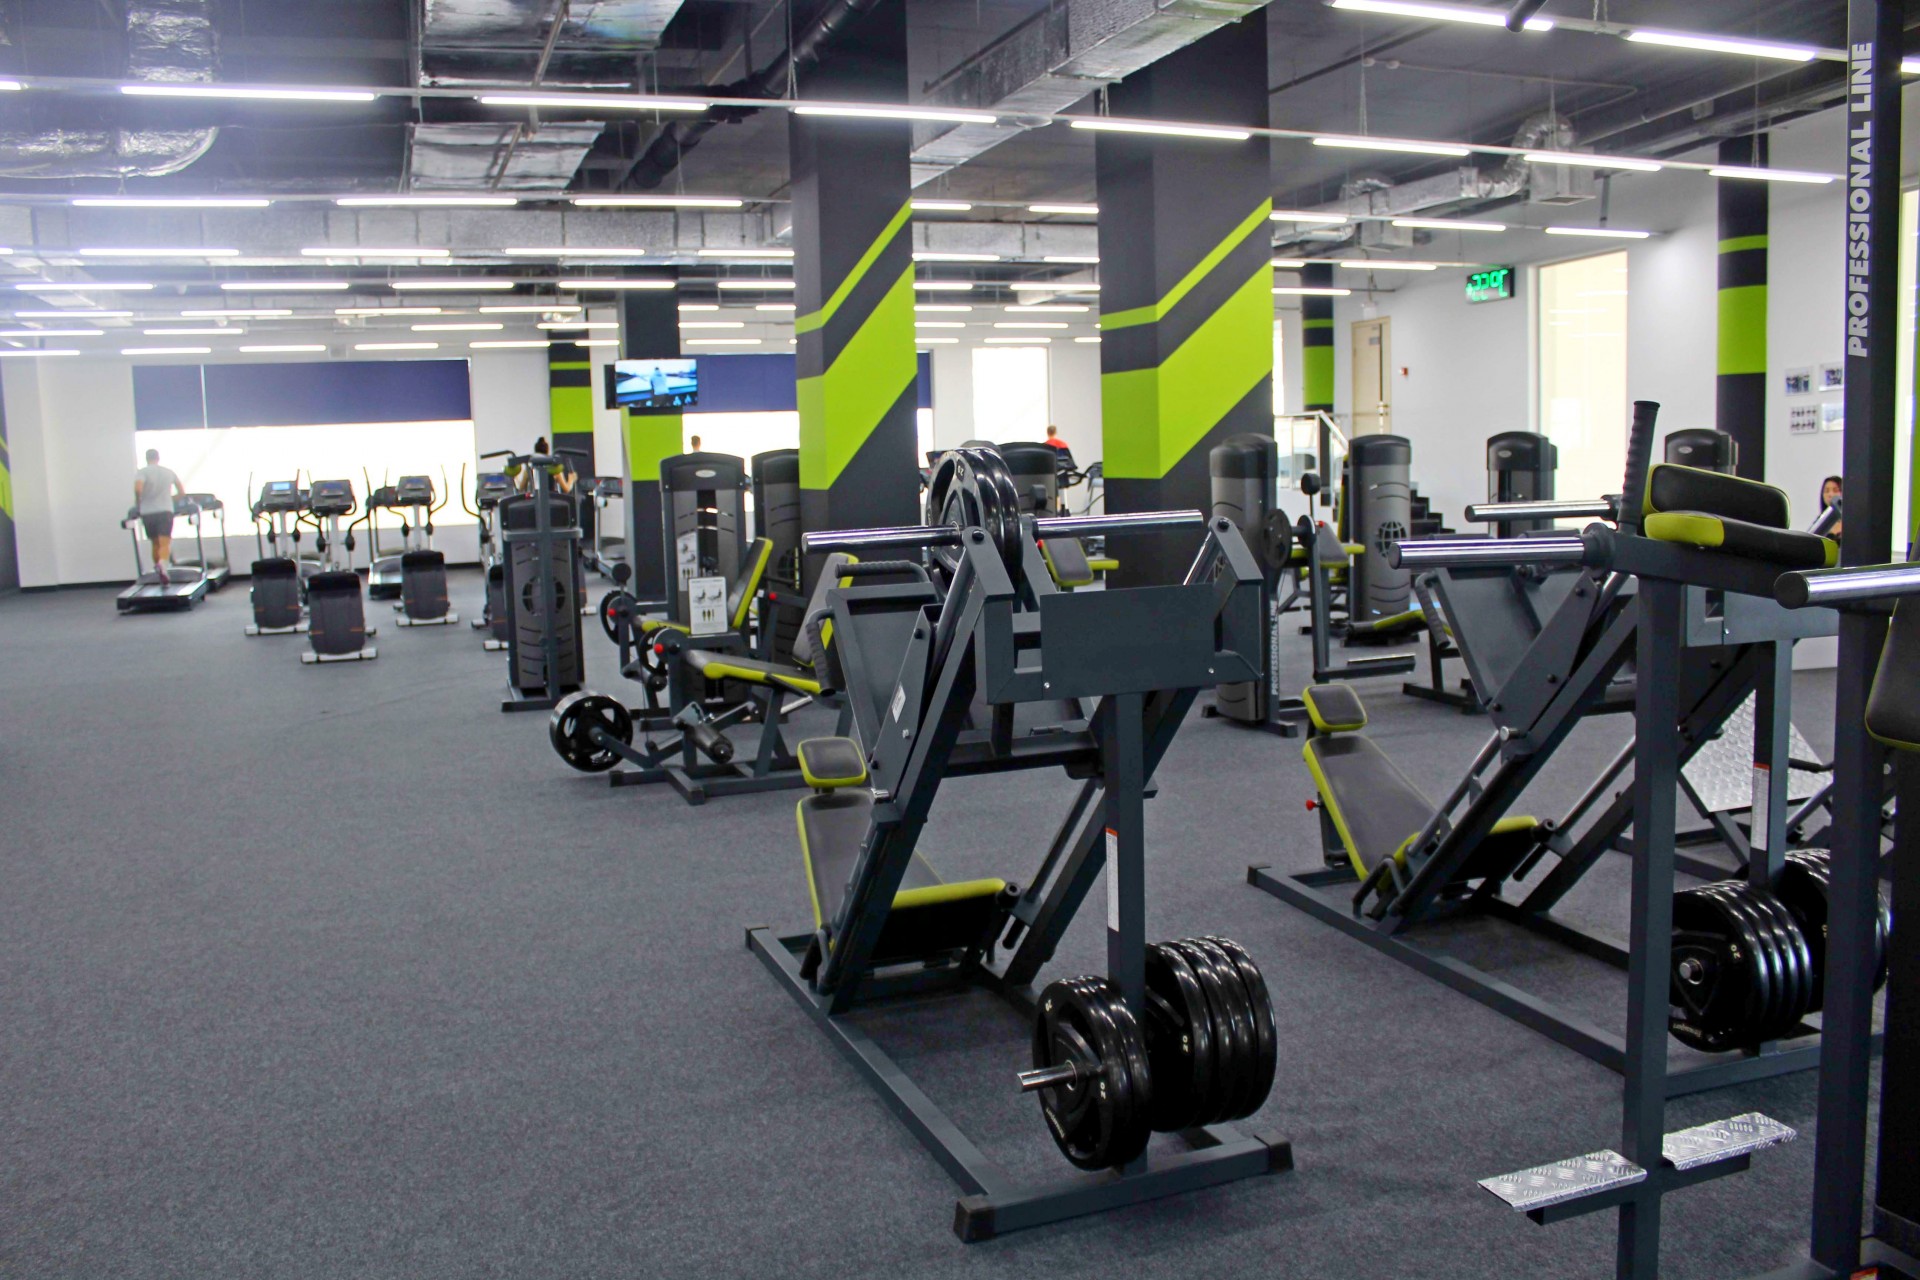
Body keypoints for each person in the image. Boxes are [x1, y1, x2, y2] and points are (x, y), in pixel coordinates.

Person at [133, 448, 185, 581]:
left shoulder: (142, 472)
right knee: (164, 542)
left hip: (148, 512)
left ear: (146, 458)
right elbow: (181, 492)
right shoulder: (168, 472)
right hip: (165, 510)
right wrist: (170, 499)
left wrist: (138, 503)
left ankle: (159, 569)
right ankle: (162, 565)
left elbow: (138, 489)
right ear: (158, 458)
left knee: (155, 542)